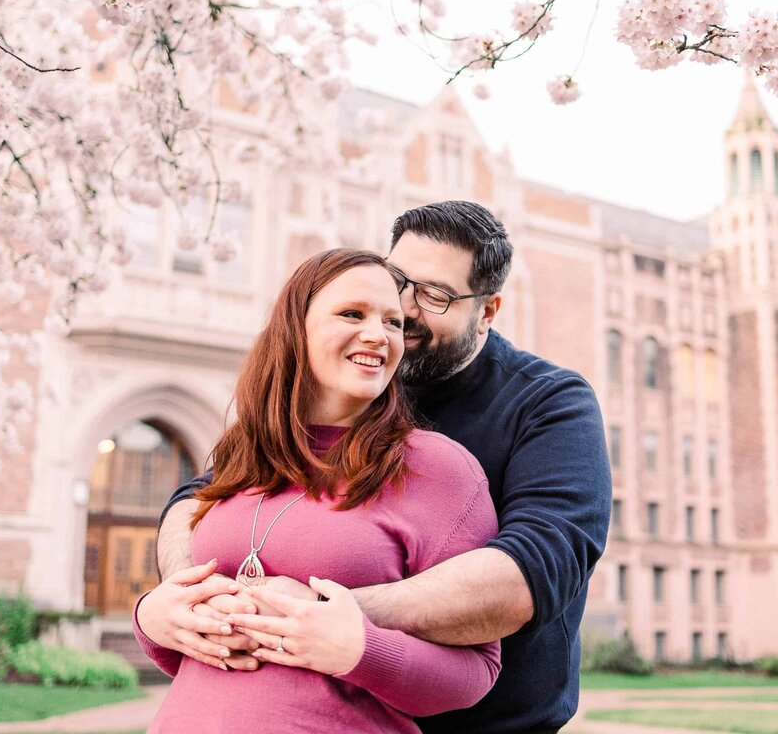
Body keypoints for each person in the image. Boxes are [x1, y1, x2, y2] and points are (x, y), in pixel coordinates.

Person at [142, 201, 612, 733]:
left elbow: (535, 569)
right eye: (398, 282)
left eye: (434, 295)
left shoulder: (547, 402)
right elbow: (204, 495)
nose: (404, 310)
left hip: (489, 724)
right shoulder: (350, 383)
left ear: (487, 311)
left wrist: (326, 612)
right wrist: (179, 598)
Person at [134, 248, 500, 732]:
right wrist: (153, 619)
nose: (378, 334)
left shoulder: (436, 468)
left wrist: (360, 650)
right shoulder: (243, 455)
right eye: (353, 314)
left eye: (392, 322)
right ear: (295, 327)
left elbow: (477, 670)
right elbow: (194, 644)